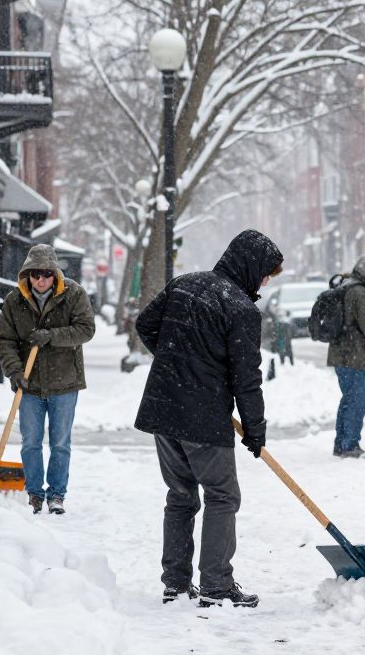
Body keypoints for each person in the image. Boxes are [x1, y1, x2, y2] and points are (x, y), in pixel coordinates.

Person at [135, 229, 283, 608]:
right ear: (250, 266)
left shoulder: (184, 285)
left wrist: (176, 359)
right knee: (223, 495)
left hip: (164, 405)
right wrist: (255, 428)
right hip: (202, 415)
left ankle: (176, 584)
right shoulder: (241, 309)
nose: (265, 282)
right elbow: (246, 378)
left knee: (181, 494)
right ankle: (216, 586)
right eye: (266, 273)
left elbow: (145, 325)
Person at [0, 244, 96, 516]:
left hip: (64, 383)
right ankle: (34, 494)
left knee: (60, 443)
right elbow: (5, 340)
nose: (41, 280)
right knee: (30, 442)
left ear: (55, 274)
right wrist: (14, 371)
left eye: (46, 274)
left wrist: (51, 335)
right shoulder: (14, 301)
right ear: (27, 274)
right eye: (35, 274)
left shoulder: (74, 294)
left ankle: (56, 495)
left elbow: (86, 330)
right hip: (29, 384)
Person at [327, 253, 365, 459]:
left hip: (340, 354)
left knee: (348, 399)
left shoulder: (344, 287)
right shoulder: (360, 292)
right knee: (357, 401)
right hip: (354, 355)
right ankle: (350, 445)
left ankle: (341, 444)